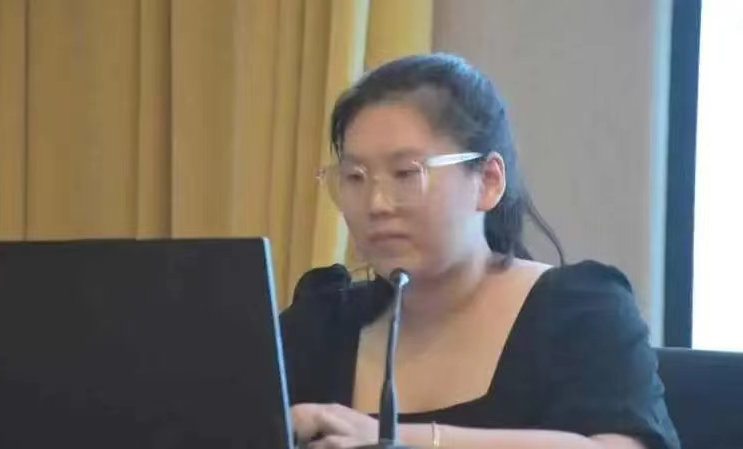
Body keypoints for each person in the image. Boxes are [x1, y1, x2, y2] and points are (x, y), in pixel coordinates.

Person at [279, 53, 680, 449]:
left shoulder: (580, 311)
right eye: (355, 177)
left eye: (406, 174)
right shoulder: (322, 323)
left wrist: (394, 439)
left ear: (488, 181)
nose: (376, 204)